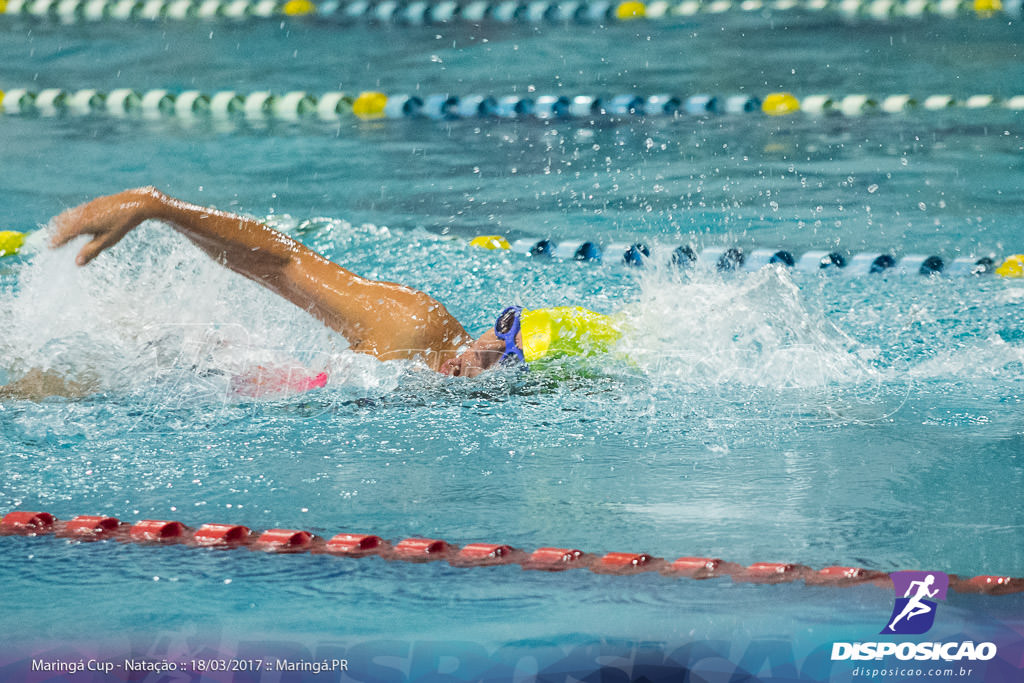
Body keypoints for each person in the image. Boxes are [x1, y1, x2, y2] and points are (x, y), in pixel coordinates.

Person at [47, 187, 622, 382]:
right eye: (500, 336)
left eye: (507, 363)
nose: (481, 359)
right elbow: (280, 262)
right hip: (164, 371)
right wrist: (156, 207)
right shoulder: (411, 328)